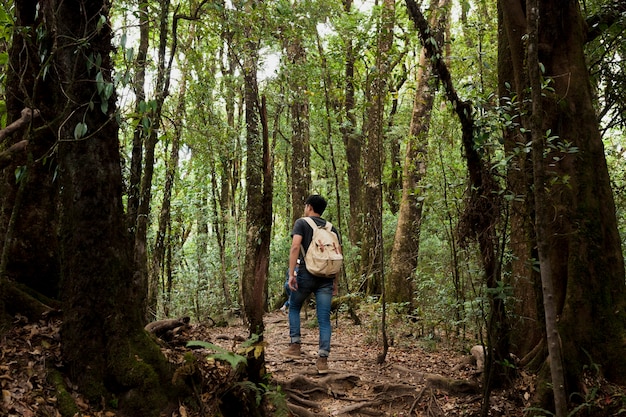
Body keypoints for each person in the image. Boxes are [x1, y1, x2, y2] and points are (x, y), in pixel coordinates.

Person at [282, 194, 341, 374]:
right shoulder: (332, 228)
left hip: (307, 275)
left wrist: (292, 274)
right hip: (327, 278)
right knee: (324, 319)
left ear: (308, 207)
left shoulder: (302, 223)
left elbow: (295, 247)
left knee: (294, 306)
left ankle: (295, 345)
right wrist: (335, 283)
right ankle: (322, 359)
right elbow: (336, 256)